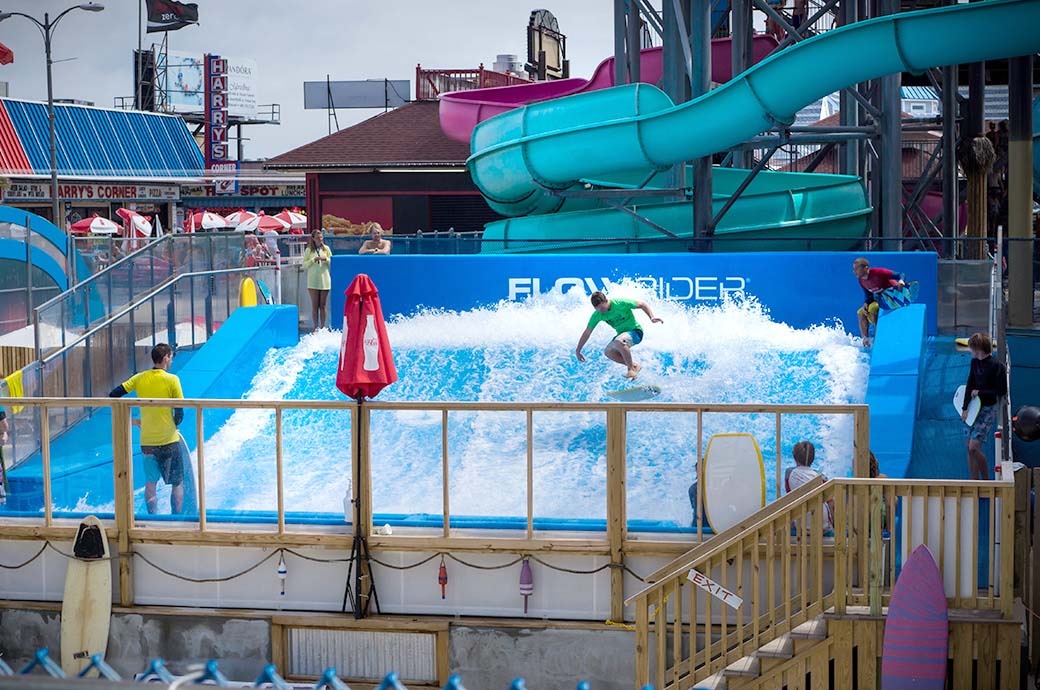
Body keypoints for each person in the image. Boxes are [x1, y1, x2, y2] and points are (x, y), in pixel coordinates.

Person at [109, 343, 185, 514]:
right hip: (168, 440)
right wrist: (174, 425)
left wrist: (132, 421)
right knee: (177, 482)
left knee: (151, 482)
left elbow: (114, 395)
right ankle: (176, 520)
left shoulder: (139, 378)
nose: (171, 360)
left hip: (147, 441)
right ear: (166, 358)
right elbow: (180, 411)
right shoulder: (172, 380)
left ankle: (153, 519)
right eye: (171, 357)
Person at [575, 291, 663, 379]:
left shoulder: (620, 303)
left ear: (606, 301)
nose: (601, 311)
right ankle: (634, 366)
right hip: (622, 336)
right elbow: (587, 332)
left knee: (619, 341)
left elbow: (642, 304)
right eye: (598, 309)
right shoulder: (598, 314)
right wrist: (578, 350)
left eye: (602, 308)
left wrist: (652, 317)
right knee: (608, 352)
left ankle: (631, 369)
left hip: (636, 332)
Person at [960, 332, 1007, 480]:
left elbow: (1000, 390)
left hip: (987, 409)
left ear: (977, 349)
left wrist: (980, 392)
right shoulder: (975, 363)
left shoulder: (996, 366)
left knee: (974, 447)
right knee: (969, 448)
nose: (970, 351)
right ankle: (974, 481)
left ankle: (986, 479)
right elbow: (970, 384)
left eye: (971, 348)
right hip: (973, 408)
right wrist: (964, 408)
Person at [852, 257, 905, 348]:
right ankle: (866, 342)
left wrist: (901, 281)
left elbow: (900, 274)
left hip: (893, 298)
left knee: (873, 308)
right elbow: (868, 295)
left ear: (866, 268)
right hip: (880, 300)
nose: (854, 271)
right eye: (854, 269)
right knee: (860, 312)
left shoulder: (878, 272)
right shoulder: (861, 280)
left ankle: (879, 338)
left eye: (857, 268)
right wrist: (866, 303)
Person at [785, 441, 833, 530]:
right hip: (823, 527)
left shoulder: (789, 473)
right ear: (813, 458)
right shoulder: (821, 477)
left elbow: (789, 499)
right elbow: (831, 503)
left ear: (794, 457)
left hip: (800, 526)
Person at [302, 228, 333, 331]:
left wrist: (326, 259)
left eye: (321, 238)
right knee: (315, 305)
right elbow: (304, 265)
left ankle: (323, 326)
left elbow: (332, 262)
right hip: (313, 281)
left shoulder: (326, 249)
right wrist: (313, 260)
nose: (320, 239)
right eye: (318, 238)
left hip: (324, 280)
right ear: (313, 239)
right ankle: (315, 327)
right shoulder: (309, 250)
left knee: (323, 305)